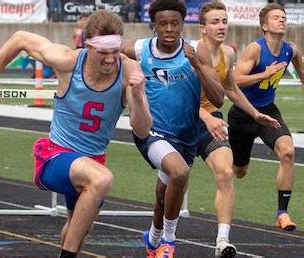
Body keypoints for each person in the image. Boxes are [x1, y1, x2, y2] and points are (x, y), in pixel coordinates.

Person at [0, 10, 152, 257]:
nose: (109, 60)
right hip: (55, 155)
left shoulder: (128, 71)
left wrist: (138, 96)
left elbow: (142, 129)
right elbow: (20, 38)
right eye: (102, 53)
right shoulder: (67, 61)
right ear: (87, 46)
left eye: (114, 53)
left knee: (79, 229)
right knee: (101, 180)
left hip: (93, 160)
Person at [121, 0, 225, 256]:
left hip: (186, 134)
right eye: (163, 24)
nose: (169, 29)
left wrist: (198, 67)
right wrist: (130, 83)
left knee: (164, 192)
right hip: (152, 131)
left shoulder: (196, 50)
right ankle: (169, 240)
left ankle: (153, 239)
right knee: (178, 173)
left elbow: (219, 98)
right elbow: (116, 54)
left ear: (182, 25)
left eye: (174, 24)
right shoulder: (141, 49)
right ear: (154, 27)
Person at [196, 2, 281, 257]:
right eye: (215, 22)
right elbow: (180, 98)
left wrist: (255, 113)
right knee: (172, 182)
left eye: (224, 21)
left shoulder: (228, 54)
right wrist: (205, 118)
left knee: (225, 171)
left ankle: (222, 241)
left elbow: (231, 89)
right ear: (202, 27)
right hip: (184, 120)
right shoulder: (190, 53)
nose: (221, 26)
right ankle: (160, 235)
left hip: (213, 119)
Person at [231, 3, 303, 232]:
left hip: (268, 111)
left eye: (283, 17)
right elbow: (234, 81)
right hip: (243, 114)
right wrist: (266, 73)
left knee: (289, 152)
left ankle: (282, 213)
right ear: (264, 25)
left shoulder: (290, 49)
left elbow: (301, 69)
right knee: (239, 171)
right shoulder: (255, 49)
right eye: (276, 18)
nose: (281, 20)